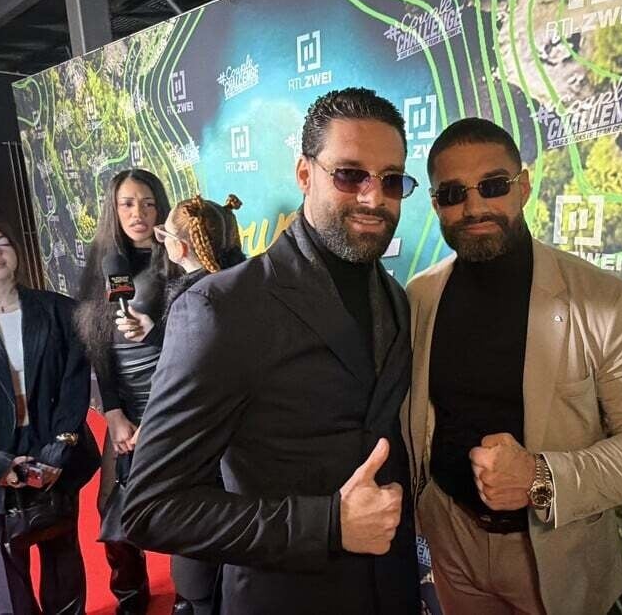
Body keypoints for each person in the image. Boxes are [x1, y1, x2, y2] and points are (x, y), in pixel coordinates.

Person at [122, 87, 421, 614]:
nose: (374, 198)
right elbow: (152, 507)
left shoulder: (395, 297)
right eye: (350, 175)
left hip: (390, 591)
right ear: (305, 174)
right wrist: (326, 524)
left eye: (392, 180)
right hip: (284, 597)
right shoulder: (224, 306)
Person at [404, 118, 622, 615]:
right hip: (450, 540)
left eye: (493, 186)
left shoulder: (604, 300)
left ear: (525, 185)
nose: (474, 208)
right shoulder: (419, 296)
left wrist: (541, 478)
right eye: (452, 194)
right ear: (435, 205)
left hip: (556, 551)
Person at [0, 211, 99, 615]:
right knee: (4, 571)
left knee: (63, 558)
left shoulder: (58, 311)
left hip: (52, 454)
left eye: (1, 241)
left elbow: (74, 388)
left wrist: (58, 449)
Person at [122, 193, 245, 615]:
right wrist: (159, 332)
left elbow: (185, 380)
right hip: (250, 461)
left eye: (163, 233)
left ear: (181, 245)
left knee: (199, 574)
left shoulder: (193, 300)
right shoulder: (252, 283)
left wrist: (151, 429)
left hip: (204, 458)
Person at [75, 168, 173, 615]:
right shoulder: (104, 266)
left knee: (188, 506)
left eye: (148, 202)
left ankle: (195, 597)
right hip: (127, 410)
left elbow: (203, 333)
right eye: (128, 203)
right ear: (114, 210)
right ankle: (131, 598)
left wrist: (153, 333)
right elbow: (99, 349)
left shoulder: (175, 260)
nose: (139, 212)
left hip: (176, 405)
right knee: (112, 514)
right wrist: (113, 413)